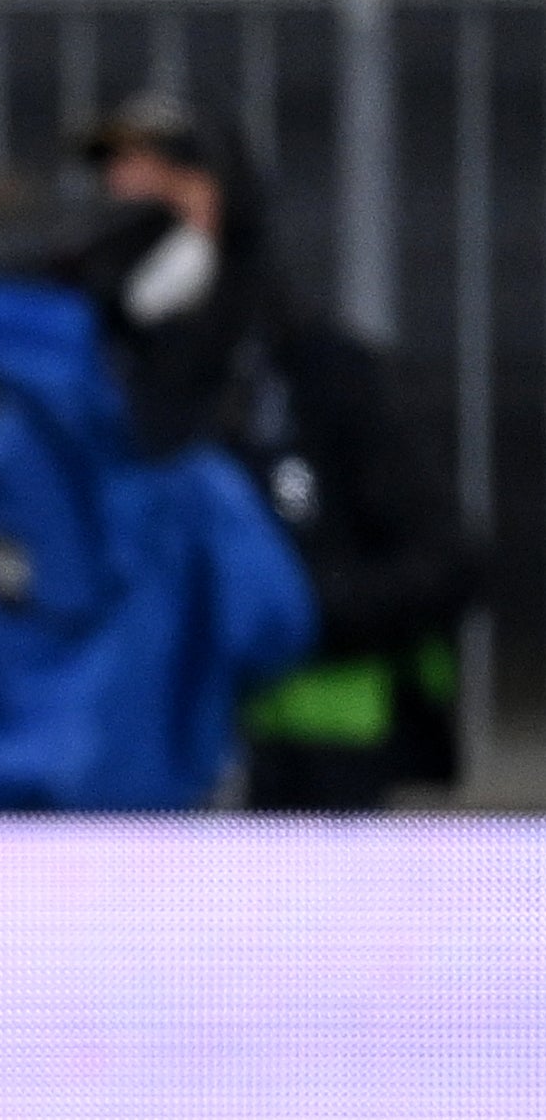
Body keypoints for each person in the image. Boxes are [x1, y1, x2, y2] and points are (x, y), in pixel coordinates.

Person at [79, 94, 483, 811]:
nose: (140, 220)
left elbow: (445, 561)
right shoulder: (88, 374)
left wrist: (290, 612)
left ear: (230, 203)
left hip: (308, 782)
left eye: (169, 193)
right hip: (134, 777)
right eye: (124, 196)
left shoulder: (322, 371)